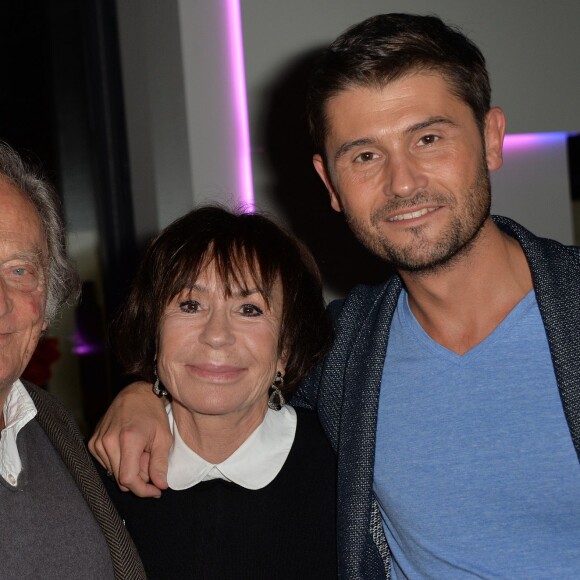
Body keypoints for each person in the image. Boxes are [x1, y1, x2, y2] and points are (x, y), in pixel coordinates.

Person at [90, 13, 580, 579]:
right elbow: (229, 375)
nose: (402, 182)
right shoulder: (346, 350)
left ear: (492, 138)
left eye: (428, 138)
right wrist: (143, 395)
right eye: (365, 155)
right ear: (330, 183)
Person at [95, 206, 337, 578]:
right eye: (190, 305)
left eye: (249, 309)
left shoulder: (346, 471)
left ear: (285, 349)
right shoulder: (96, 481)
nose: (216, 335)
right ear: (154, 334)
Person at [0, 142, 146, 579]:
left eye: (20, 271)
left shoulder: (50, 425)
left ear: (47, 299)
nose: (2, 303)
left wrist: (151, 396)